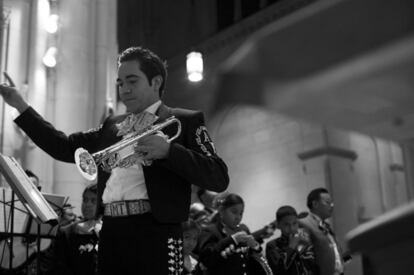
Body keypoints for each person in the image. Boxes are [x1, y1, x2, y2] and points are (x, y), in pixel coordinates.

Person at [0, 46, 229, 274]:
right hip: (111, 230)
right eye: (120, 83)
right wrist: (21, 106)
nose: (124, 89)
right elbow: (63, 146)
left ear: (156, 82)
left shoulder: (186, 120)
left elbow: (218, 176)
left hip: (156, 232)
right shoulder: (112, 125)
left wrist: (170, 152)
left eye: (132, 81)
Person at [198, 193, 272, 275]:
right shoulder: (209, 230)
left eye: (241, 213)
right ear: (221, 211)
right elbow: (206, 259)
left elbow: (249, 258)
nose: (238, 217)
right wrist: (232, 239)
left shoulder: (243, 229)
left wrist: (255, 246)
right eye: (234, 212)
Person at [46, 183, 101, 275]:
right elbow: (60, 266)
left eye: (93, 201)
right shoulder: (66, 232)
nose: (87, 204)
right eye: (85, 200)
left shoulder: (107, 231)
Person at [299, 188, 345, 275]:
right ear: (315, 204)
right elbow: (305, 257)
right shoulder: (304, 224)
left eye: (332, 202)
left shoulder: (325, 226)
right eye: (327, 202)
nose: (332, 205)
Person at [265, 205, 317, 275]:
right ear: (278, 225)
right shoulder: (272, 246)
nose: (291, 228)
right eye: (286, 225)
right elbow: (279, 271)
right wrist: (291, 246)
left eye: (294, 223)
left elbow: (314, 268)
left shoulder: (305, 243)